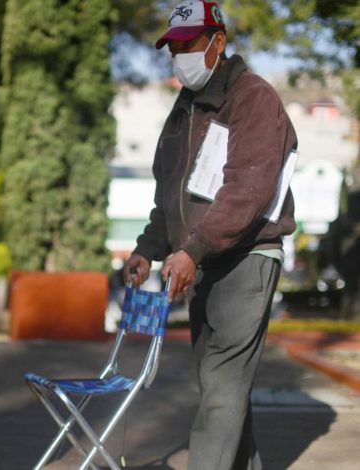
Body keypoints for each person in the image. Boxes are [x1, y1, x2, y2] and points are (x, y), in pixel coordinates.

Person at [123, 2, 298, 469]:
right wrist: (147, 249)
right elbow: (169, 196)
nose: (178, 56)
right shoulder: (184, 108)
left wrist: (193, 248)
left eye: (189, 44)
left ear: (218, 42)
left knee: (222, 384)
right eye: (173, 48)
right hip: (200, 260)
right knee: (222, 387)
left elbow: (248, 190)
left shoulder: (253, 98)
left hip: (247, 258)